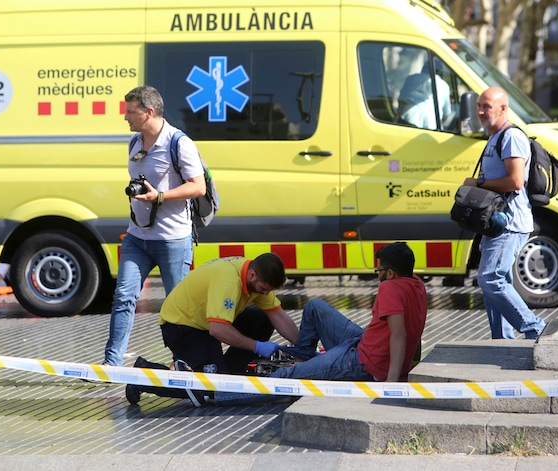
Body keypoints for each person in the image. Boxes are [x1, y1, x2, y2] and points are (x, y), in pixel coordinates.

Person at [195, 241, 428, 407]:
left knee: (289, 376)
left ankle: (218, 394)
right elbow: (414, 331)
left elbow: (399, 335)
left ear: (389, 273)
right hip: (362, 342)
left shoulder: (389, 288)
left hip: (365, 361)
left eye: (378, 270)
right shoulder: (417, 284)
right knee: (315, 307)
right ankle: (305, 354)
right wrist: (412, 364)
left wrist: (390, 382)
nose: (377, 275)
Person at [102, 85, 206, 367]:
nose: (126, 118)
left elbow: (198, 187)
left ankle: (182, 363)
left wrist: (159, 196)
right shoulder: (135, 142)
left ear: (149, 112)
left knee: (176, 306)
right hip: (137, 236)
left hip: (172, 239)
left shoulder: (178, 143)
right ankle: (111, 365)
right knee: (123, 297)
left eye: (130, 112)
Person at [125, 252, 299, 405]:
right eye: (264, 289)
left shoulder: (254, 276)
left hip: (204, 322)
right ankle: (144, 375)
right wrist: (256, 346)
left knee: (263, 320)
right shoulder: (228, 280)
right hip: (181, 326)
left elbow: (279, 316)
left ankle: (225, 371)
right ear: (252, 275)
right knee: (215, 389)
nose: (265, 294)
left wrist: (303, 347)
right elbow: (218, 330)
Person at [462, 87, 546, 340]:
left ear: (503, 109)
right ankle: (502, 341)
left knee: (491, 279)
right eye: (479, 105)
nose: (480, 111)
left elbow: (515, 181)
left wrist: (477, 185)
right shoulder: (494, 137)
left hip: (509, 223)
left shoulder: (511, 137)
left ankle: (535, 328)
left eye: (486, 106)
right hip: (495, 224)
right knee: (495, 285)